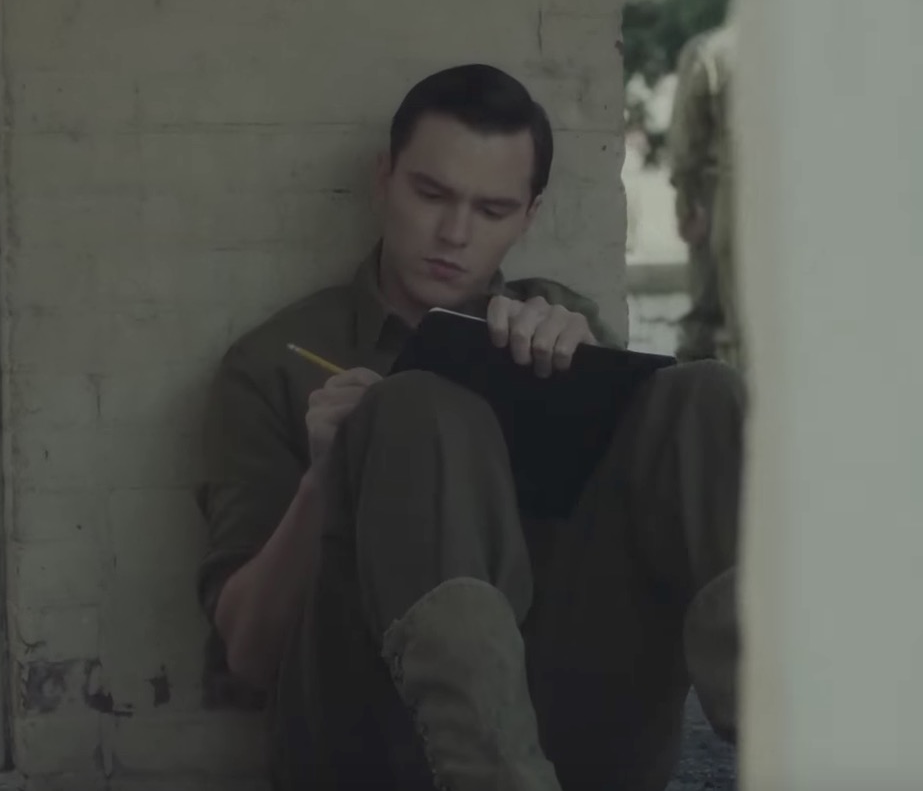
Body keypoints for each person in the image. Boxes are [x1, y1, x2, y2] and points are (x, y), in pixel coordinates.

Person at [197, 64, 743, 791]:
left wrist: (598, 379)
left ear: (529, 216)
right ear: (385, 179)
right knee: (418, 409)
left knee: (703, 394)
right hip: (373, 746)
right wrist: (327, 476)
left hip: (570, 737)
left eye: (491, 210)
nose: (453, 234)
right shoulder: (275, 361)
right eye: (430, 195)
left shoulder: (559, 319)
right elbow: (248, 655)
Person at [669, 23, 740, 370]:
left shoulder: (712, 49)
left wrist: (686, 201)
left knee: (709, 314)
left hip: (724, 192)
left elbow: (687, 135)